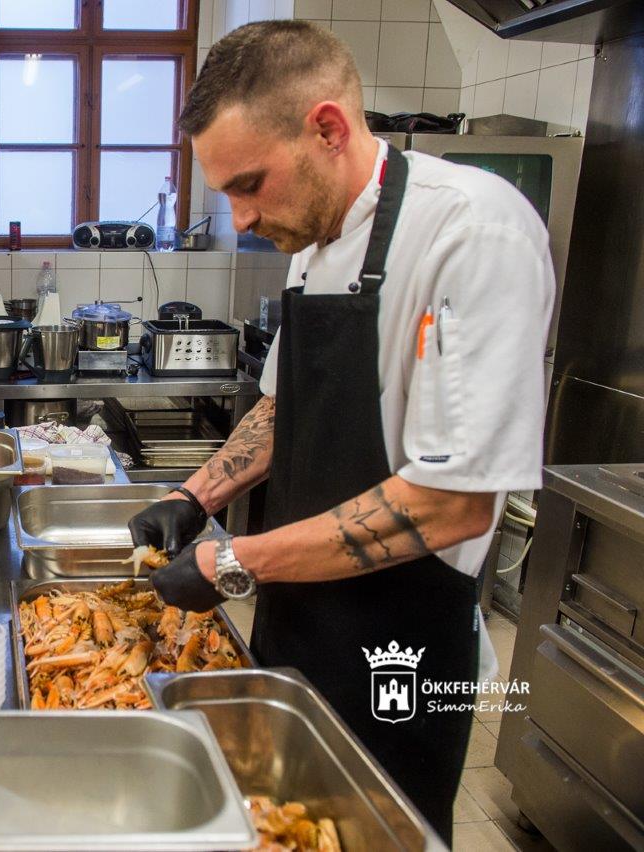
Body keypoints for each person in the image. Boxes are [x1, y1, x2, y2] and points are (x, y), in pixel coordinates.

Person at [129, 21, 552, 844]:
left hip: (405, 638)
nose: (242, 217)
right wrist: (195, 493)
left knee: (377, 832)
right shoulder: (313, 241)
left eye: (250, 183)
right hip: (299, 614)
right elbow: (283, 409)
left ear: (326, 128)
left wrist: (237, 559)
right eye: (227, 194)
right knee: (285, 825)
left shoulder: (472, 233)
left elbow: (451, 505)